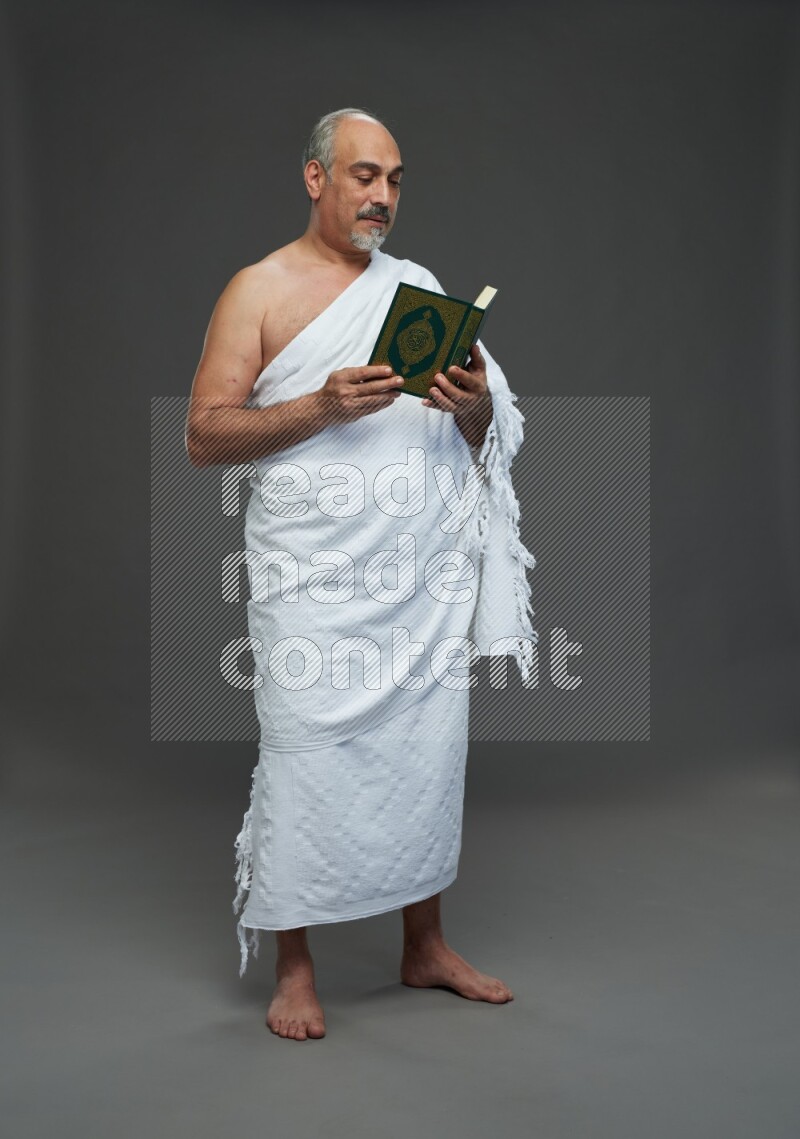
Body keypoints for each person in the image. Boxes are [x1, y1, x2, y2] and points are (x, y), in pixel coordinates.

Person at [185, 108, 537, 1041]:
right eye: (362, 176)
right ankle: (294, 965)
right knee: (304, 755)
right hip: (313, 576)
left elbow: (481, 440)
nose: (381, 196)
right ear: (315, 178)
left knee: (425, 755)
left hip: (417, 579)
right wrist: (318, 405)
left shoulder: (416, 288)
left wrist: (470, 409)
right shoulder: (257, 290)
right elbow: (203, 435)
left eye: (393, 179)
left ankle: (423, 944)